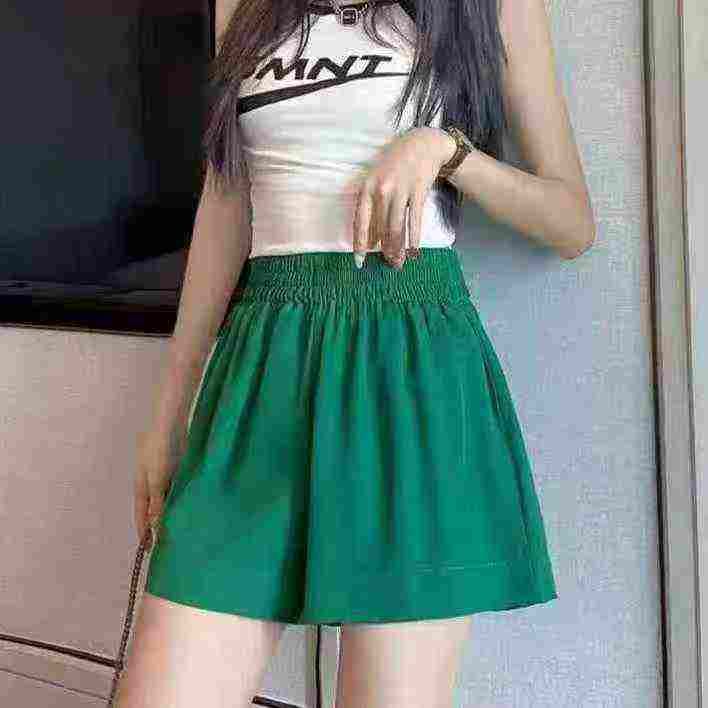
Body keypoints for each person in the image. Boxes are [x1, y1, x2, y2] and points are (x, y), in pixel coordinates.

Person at [115, 0, 595, 706]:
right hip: (262, 369)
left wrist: (448, 153)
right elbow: (226, 202)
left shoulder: (492, 6)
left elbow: (571, 223)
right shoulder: (242, 6)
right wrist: (169, 414)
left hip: (409, 372)